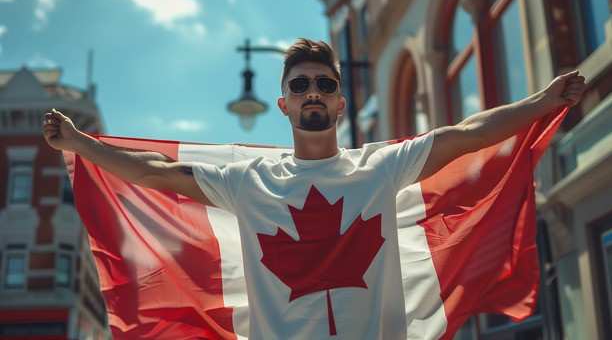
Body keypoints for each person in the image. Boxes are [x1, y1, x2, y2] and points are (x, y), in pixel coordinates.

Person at [43, 38, 585, 339]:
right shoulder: (248, 181)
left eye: (325, 84)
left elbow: (466, 135)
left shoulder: (380, 167)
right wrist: (80, 143)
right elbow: (155, 172)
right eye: (300, 85)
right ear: (283, 103)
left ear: (341, 102)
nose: (313, 93)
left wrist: (543, 102)